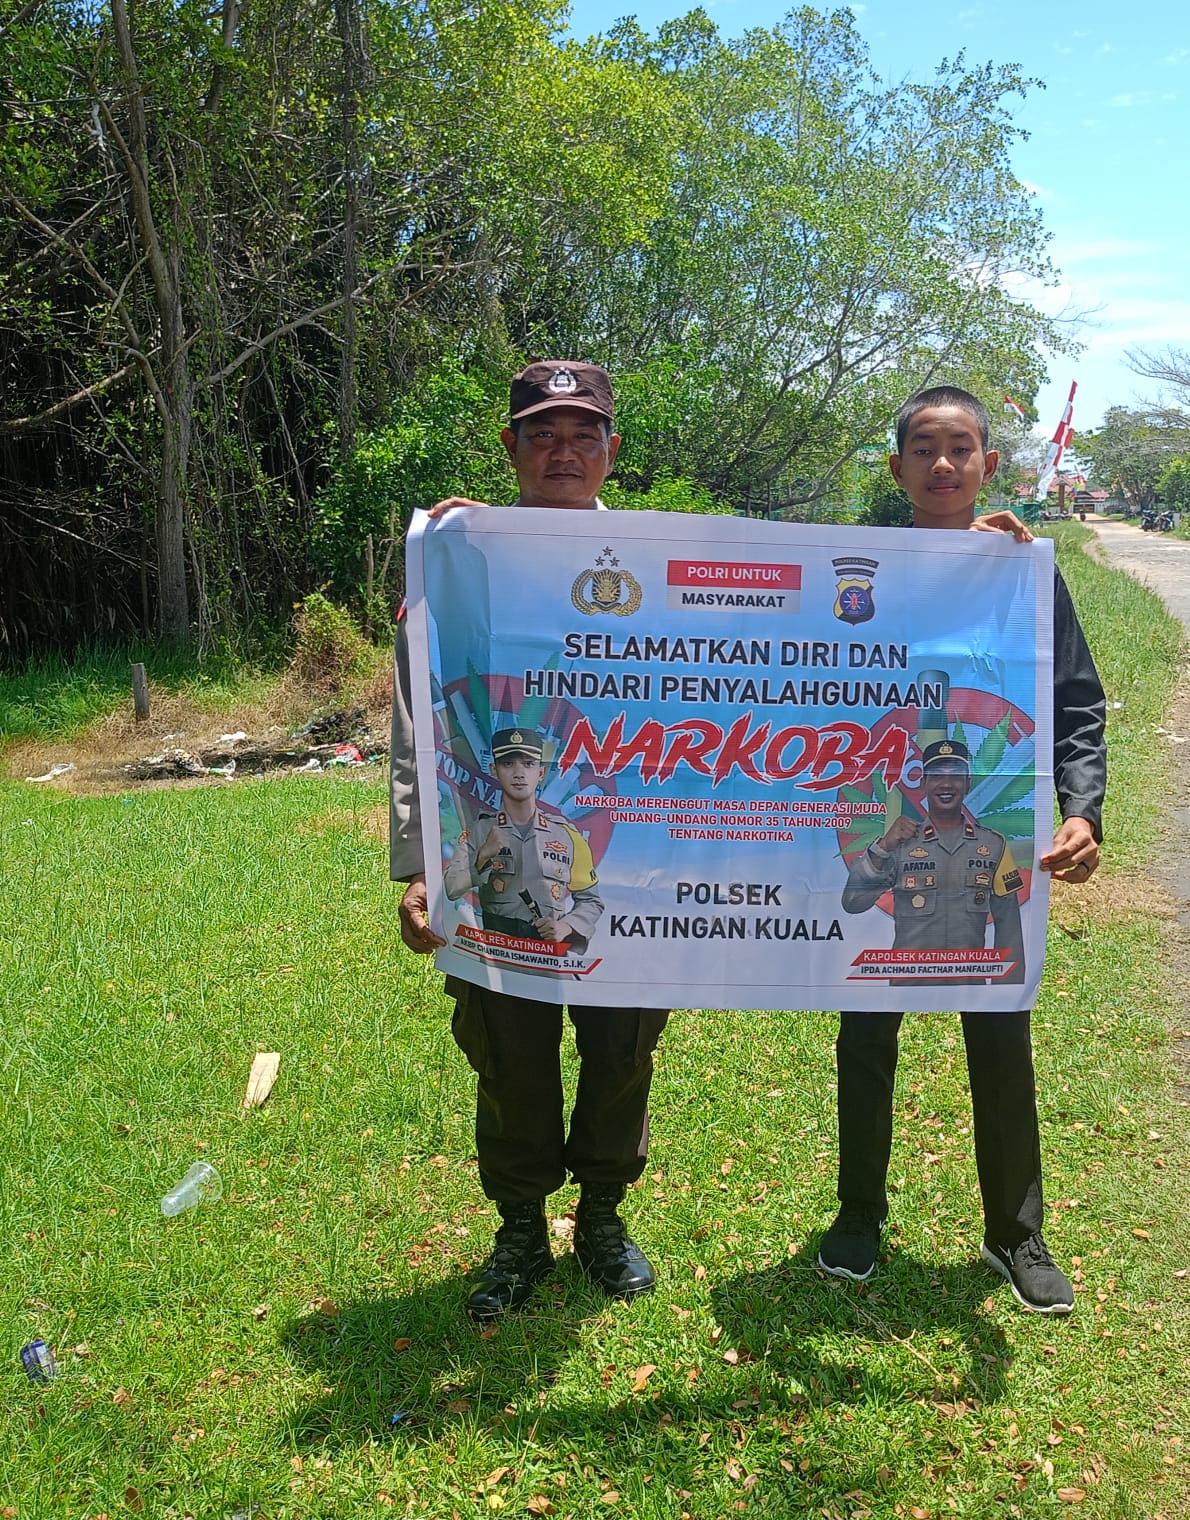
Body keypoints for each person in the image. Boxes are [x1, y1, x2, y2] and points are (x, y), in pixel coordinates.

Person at [818, 385, 1106, 1315]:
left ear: (989, 465)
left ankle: (1015, 1233)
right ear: (896, 467)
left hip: (990, 856)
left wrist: (1084, 810)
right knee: (864, 1038)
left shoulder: (1019, 572)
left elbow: (1077, 702)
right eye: (925, 449)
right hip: (887, 847)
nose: (944, 465)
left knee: (1000, 1042)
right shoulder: (843, 567)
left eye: (962, 449)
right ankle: (859, 1216)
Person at [390, 360, 668, 1320]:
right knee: (507, 1045)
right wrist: (419, 865)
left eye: (582, 433)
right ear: (509, 448)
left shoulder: (662, 562)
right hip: (492, 862)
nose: (563, 451)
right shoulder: (458, 568)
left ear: (612, 452)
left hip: (625, 866)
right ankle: (518, 1228)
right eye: (541, 434)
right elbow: (413, 723)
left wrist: (967, 555)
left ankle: (600, 1215)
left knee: (623, 1043)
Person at [841, 738, 1025, 985]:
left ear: (967, 784)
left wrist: (1008, 992)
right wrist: (882, 847)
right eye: (936, 775)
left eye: (956, 776)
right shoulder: (899, 841)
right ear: (923, 783)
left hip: (968, 981)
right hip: (907, 981)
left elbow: (1009, 924)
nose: (946, 784)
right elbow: (852, 903)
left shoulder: (993, 845)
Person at [443, 727, 604, 955]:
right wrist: (484, 855)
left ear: (541, 773)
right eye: (508, 764)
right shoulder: (480, 830)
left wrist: (566, 926)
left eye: (528, 764)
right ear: (494, 770)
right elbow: (451, 888)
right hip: (495, 957)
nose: (519, 773)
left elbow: (591, 900)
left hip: (547, 960)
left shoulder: (568, 836)